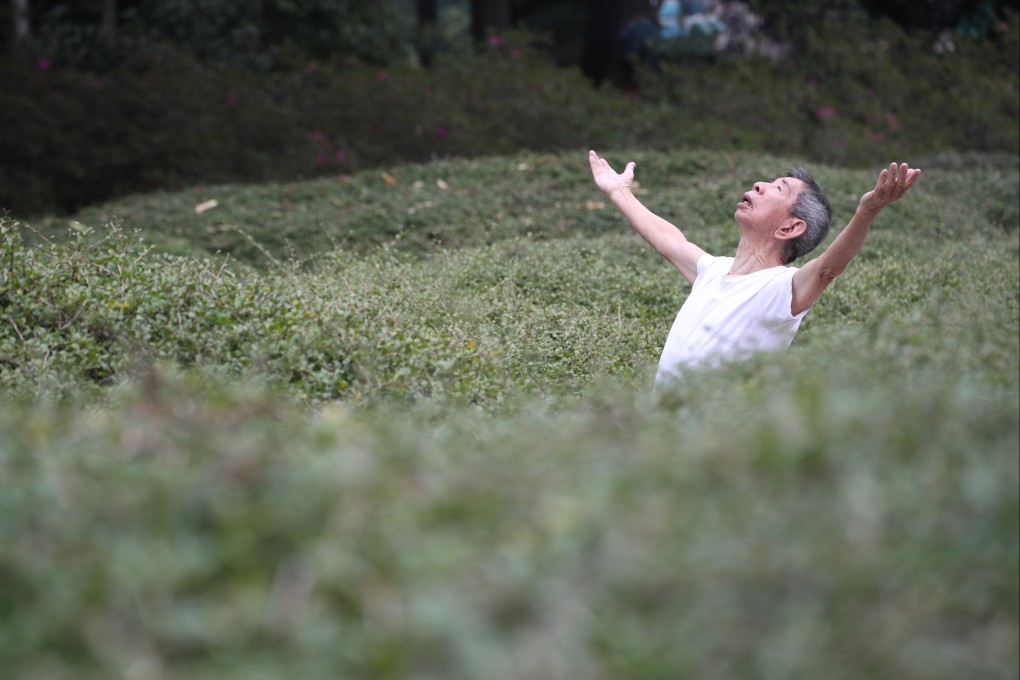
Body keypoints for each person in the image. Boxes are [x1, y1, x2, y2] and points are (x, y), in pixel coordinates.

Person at [588, 149, 921, 384]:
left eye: (779, 188)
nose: (760, 184)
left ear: (790, 228)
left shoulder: (780, 289)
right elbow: (669, 241)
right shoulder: (714, 270)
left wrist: (867, 212)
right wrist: (620, 191)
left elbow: (826, 269)